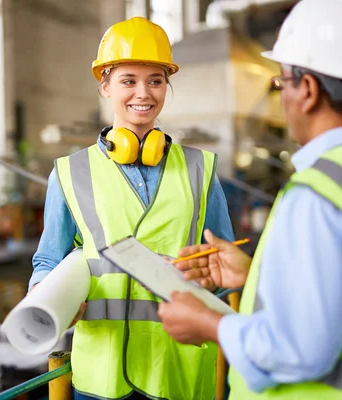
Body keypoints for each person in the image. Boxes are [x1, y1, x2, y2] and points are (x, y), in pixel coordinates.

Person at [158, 0, 342, 398]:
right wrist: (256, 275)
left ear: (308, 90)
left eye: (281, 83)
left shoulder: (318, 195)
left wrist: (211, 323)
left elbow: (299, 351)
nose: (281, 97)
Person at [29, 16, 235, 400]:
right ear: (104, 86)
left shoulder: (200, 169)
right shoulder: (70, 172)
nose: (144, 92)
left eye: (156, 80)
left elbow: (223, 268)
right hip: (102, 373)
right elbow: (49, 260)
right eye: (129, 80)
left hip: (178, 365)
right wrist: (47, 295)